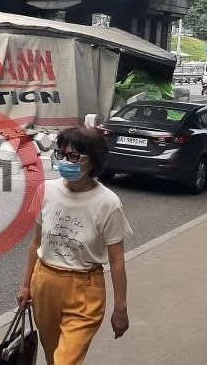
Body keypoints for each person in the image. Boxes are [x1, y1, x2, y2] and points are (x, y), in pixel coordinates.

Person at [17, 127, 131, 365]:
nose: (65, 161)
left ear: (92, 161)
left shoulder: (108, 203)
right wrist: (26, 285)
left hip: (85, 290)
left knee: (64, 361)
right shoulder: (46, 190)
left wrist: (120, 308)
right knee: (52, 356)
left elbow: (117, 261)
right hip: (45, 283)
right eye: (61, 154)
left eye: (73, 156)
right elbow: (36, 242)